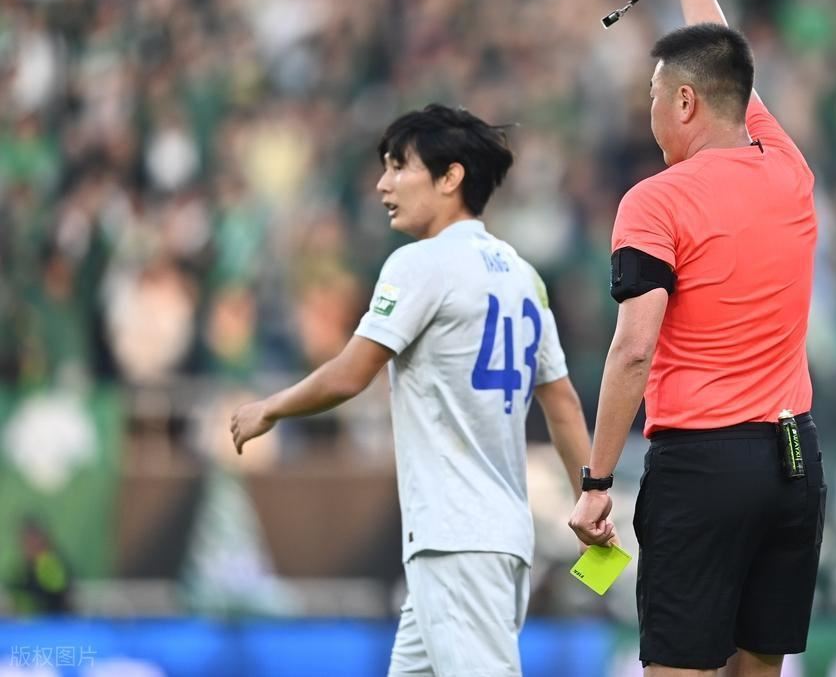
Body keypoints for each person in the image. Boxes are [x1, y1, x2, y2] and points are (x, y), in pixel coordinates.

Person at [231, 104, 604, 677]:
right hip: (497, 536)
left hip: (456, 538)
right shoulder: (522, 275)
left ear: (450, 177)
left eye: (398, 166)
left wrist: (270, 408)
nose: (383, 184)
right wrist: (590, 500)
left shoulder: (420, 264)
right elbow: (562, 404)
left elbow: (350, 373)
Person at [568, 0, 826, 677]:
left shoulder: (656, 202)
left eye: (653, 96)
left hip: (703, 467)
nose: (648, 112)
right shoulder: (788, 168)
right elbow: (728, 60)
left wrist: (597, 480)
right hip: (794, 462)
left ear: (684, 102)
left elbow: (632, 349)